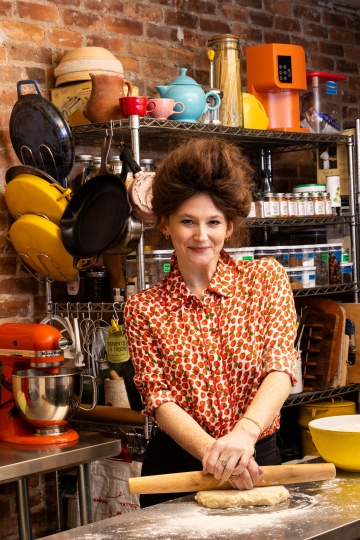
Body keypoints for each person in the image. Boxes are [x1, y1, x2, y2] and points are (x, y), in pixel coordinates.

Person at [123, 136, 299, 508]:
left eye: (213, 222)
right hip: (177, 469)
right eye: (187, 221)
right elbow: (158, 399)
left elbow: (281, 368)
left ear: (229, 227)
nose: (201, 236)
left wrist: (244, 436)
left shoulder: (265, 280)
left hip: (255, 462)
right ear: (166, 225)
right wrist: (217, 454)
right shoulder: (143, 309)